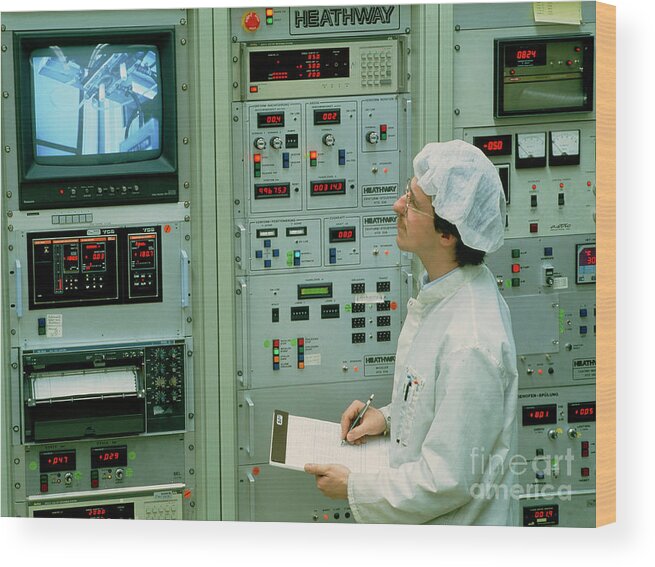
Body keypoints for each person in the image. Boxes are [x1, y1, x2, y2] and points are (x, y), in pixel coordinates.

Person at [305, 140, 518, 525]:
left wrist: (353, 488)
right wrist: (388, 418)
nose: (398, 206)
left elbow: (446, 480)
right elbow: (443, 407)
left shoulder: (470, 341)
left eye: (414, 204)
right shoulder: (449, 289)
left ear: (448, 235)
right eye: (407, 191)